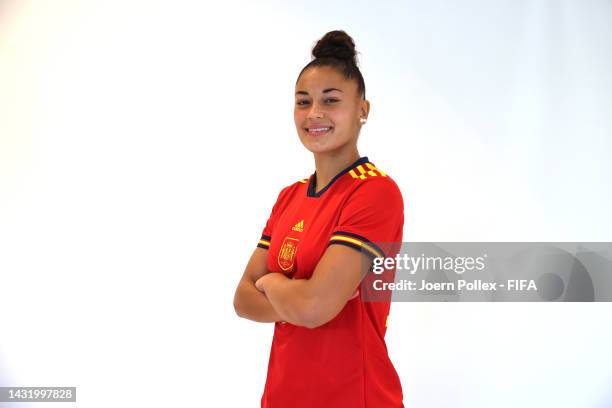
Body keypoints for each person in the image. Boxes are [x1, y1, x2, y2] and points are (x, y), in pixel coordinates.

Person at [233, 29, 405, 408]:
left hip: (353, 395)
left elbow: (314, 309)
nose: (314, 114)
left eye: (331, 100)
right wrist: (302, 294)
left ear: (363, 110)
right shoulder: (289, 197)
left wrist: (273, 282)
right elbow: (243, 300)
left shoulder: (375, 192)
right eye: (303, 101)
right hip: (282, 396)